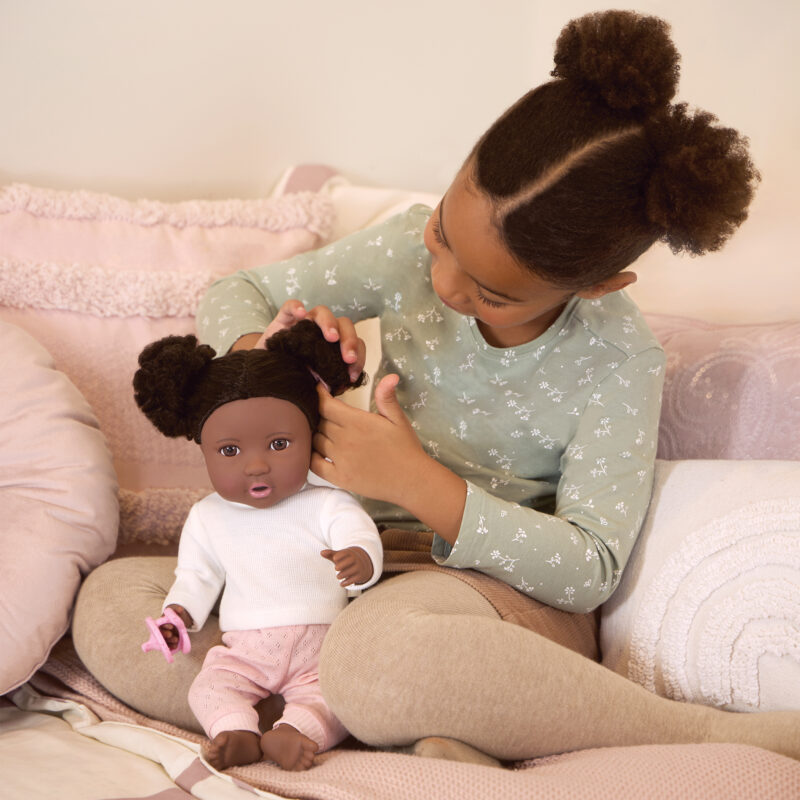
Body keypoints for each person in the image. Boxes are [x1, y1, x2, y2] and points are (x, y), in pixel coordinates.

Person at [75, 10, 799, 764]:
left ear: (596, 285)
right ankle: (399, 720)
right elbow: (239, 291)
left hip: (488, 601)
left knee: (378, 657)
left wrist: (419, 484)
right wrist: (274, 359)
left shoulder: (618, 360)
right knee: (113, 602)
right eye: (445, 236)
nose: (446, 283)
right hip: (331, 578)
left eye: (492, 293)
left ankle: (701, 733)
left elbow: (588, 570)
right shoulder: (403, 249)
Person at [130, 320, 383, 770]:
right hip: (246, 648)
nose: (256, 465)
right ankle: (235, 731)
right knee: (208, 685)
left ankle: (294, 732)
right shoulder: (209, 515)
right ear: (203, 451)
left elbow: (357, 532)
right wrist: (179, 615)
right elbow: (197, 575)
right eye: (229, 451)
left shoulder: (326, 501)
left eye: (280, 443)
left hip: (321, 641)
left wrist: (360, 559)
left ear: (311, 436)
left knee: (337, 692)